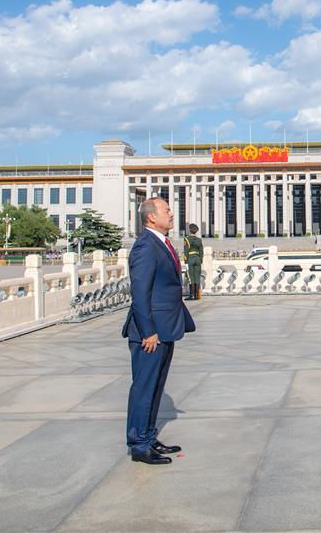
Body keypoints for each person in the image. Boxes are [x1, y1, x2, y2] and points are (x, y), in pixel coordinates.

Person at [122, 197, 195, 465]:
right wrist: (148, 331)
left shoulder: (160, 243)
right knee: (144, 387)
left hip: (166, 329)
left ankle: (149, 437)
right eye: (166, 210)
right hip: (150, 333)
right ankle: (139, 445)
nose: (171, 214)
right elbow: (139, 293)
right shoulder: (145, 246)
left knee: (155, 387)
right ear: (152, 217)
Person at [183, 223, 204, 300]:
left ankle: (192, 295)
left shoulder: (187, 239)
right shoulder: (199, 240)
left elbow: (186, 251)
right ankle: (197, 295)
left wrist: (185, 261)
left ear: (190, 230)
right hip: (197, 258)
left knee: (191, 277)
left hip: (190, 258)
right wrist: (200, 259)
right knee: (197, 277)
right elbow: (201, 251)